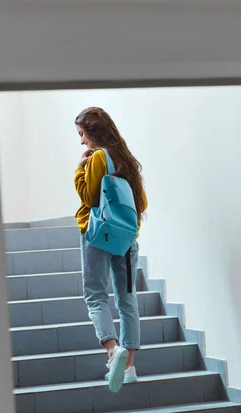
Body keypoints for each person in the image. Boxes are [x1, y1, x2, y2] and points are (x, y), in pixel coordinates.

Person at [74, 107, 148, 393]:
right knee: (127, 299)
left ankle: (112, 350)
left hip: (98, 235)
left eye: (82, 135)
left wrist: (80, 169)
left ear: (93, 132)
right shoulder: (126, 160)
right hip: (126, 238)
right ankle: (129, 367)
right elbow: (141, 202)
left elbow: (90, 196)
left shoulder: (97, 157)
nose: (81, 142)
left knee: (95, 295)